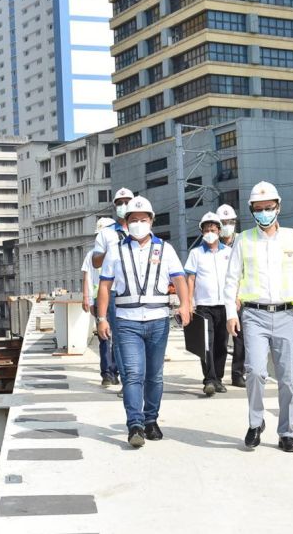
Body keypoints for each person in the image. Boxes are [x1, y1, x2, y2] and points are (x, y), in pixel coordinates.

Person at [223, 181, 293, 454]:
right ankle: (256, 423)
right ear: (252, 210)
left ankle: (286, 432)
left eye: (268, 207)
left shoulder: (291, 238)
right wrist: (231, 313)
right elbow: (231, 280)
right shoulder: (244, 240)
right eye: (259, 209)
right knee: (255, 371)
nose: (264, 213)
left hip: (285, 315)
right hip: (254, 315)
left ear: (278, 207)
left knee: (287, 377)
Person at [97, 196, 192, 448]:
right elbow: (105, 286)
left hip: (158, 321)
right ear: (126, 222)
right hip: (127, 321)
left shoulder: (165, 249)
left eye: (143, 219)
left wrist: (185, 304)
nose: (138, 223)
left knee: (155, 375)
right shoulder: (116, 250)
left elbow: (179, 278)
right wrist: (102, 318)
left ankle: (151, 419)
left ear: (151, 221)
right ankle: (135, 424)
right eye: (134, 219)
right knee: (133, 374)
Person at [92, 187, 134, 396]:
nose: (123, 206)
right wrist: (110, 251)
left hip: (137, 292)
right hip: (115, 291)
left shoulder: (142, 232)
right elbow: (95, 261)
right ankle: (126, 381)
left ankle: (135, 380)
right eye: (120, 203)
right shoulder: (107, 234)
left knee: (134, 339)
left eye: (127, 202)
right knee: (118, 338)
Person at [185, 212, 232, 397]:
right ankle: (209, 380)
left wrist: (236, 298)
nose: (210, 233)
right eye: (206, 230)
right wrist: (189, 302)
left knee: (222, 343)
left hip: (224, 305)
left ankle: (218, 378)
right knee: (207, 343)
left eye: (213, 229)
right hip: (204, 305)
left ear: (219, 231)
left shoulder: (228, 253)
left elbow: (235, 277)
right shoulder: (196, 253)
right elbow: (191, 279)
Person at [82, 217, 119, 387]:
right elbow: (87, 277)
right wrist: (88, 299)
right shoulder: (92, 255)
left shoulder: (120, 251)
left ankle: (115, 371)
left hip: (118, 296)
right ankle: (107, 373)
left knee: (119, 336)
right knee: (105, 336)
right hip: (100, 299)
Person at [216, 203, 245, 388]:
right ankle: (217, 376)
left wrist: (239, 295)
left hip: (238, 298)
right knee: (220, 339)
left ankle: (238, 373)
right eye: (223, 222)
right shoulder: (211, 243)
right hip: (218, 299)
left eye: (230, 222)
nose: (227, 225)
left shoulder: (242, 242)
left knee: (240, 338)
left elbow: (245, 272)